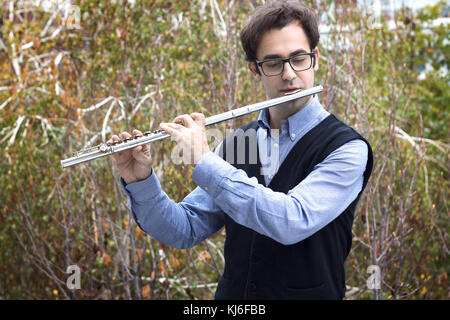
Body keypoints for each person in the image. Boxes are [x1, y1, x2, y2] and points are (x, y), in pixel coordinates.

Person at [111, 0, 373, 300]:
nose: (288, 74)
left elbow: (292, 220)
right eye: (273, 63)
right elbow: (184, 229)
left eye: (298, 58)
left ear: (315, 58)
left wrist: (204, 159)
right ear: (255, 69)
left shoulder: (346, 148)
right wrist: (140, 181)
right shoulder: (239, 143)